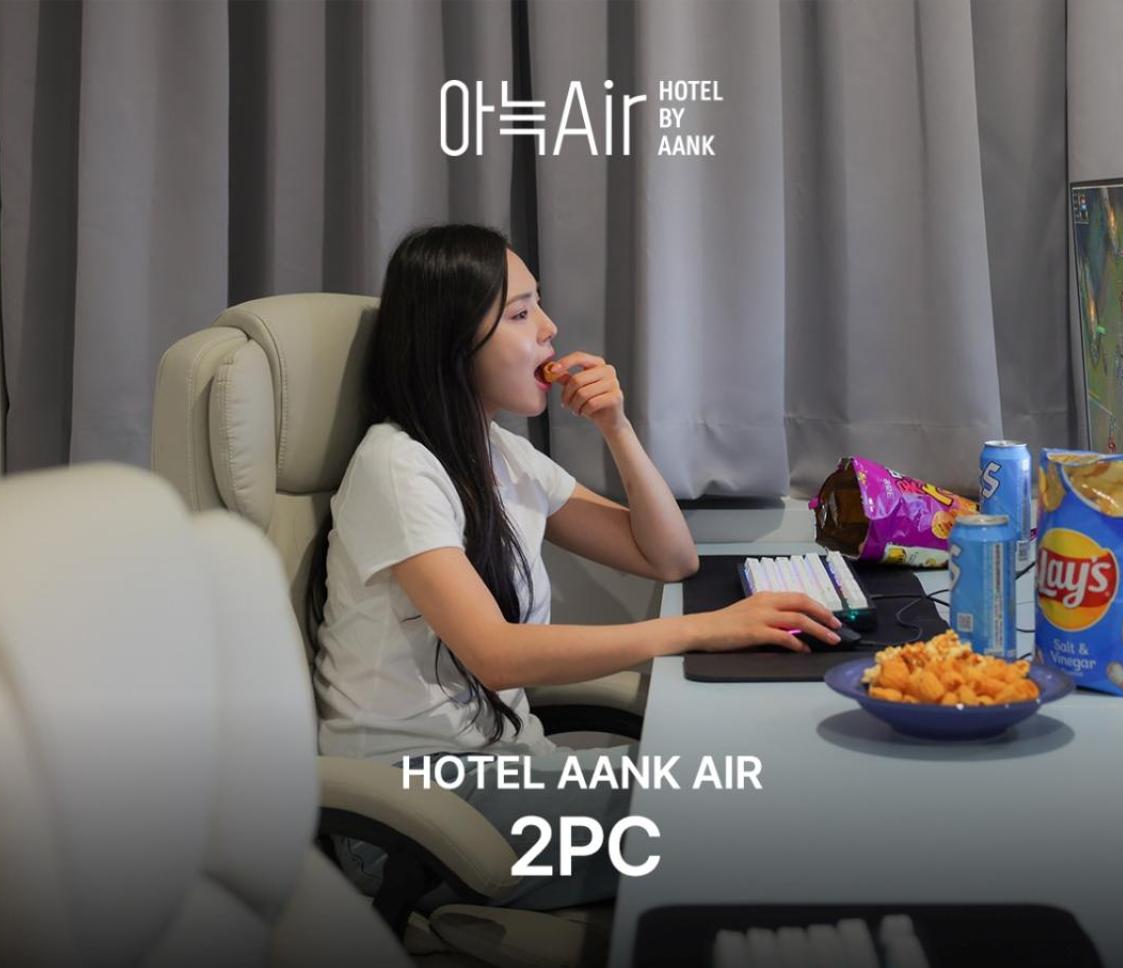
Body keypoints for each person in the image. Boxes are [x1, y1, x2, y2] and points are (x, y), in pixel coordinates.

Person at [312, 223, 842, 910]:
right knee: (744, 807)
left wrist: (616, 427)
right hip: (419, 812)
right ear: (453, 340)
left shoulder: (497, 453)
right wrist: (702, 630)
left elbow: (669, 557)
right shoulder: (398, 466)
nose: (550, 329)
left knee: (761, 772)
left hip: (508, 770)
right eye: (521, 314)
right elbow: (495, 655)